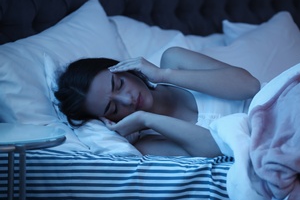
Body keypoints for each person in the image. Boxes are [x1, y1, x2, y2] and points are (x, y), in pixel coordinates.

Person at [55, 47, 260, 157]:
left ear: (124, 68)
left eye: (119, 84)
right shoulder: (148, 142)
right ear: (107, 119)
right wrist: (147, 119)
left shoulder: (174, 62)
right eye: (114, 108)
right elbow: (217, 148)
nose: (128, 99)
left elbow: (249, 86)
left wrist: (163, 75)